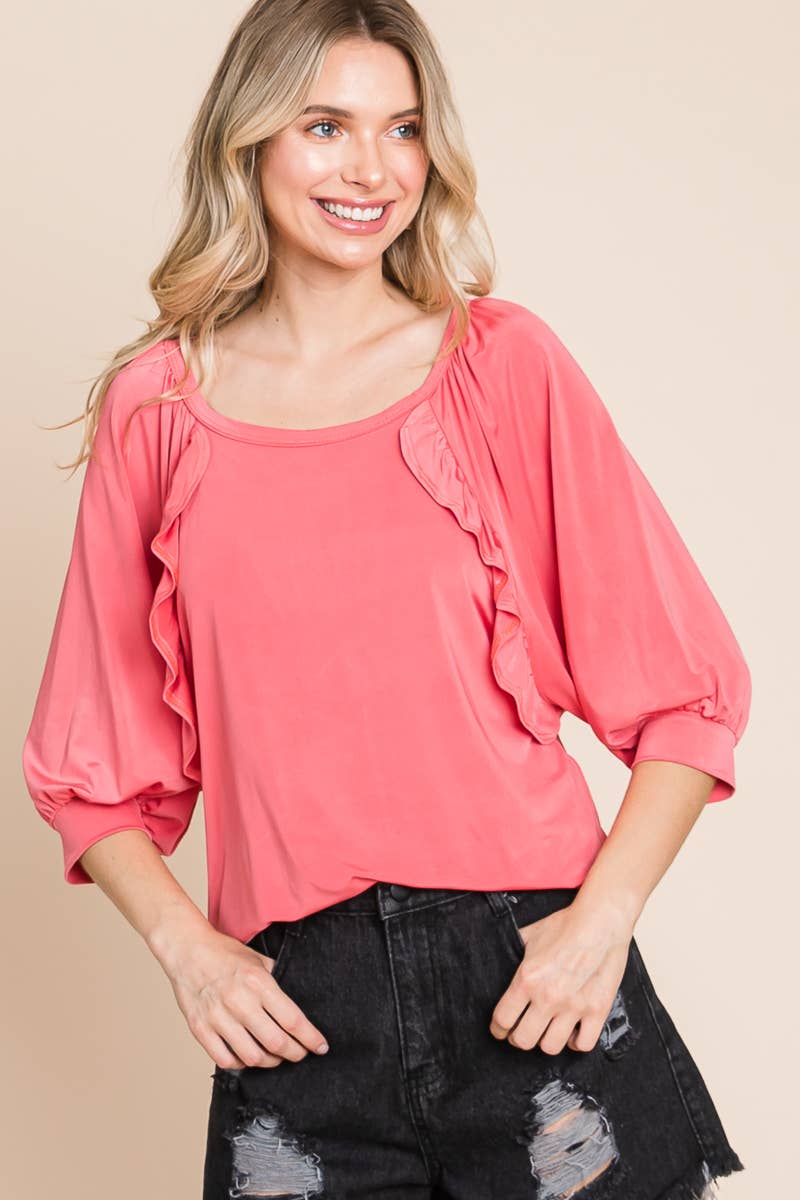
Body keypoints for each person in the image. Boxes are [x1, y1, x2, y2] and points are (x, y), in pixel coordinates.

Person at [22, 1, 751, 1196]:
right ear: (247, 142)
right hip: (299, 1023)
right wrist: (186, 950)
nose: (372, 169)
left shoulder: (498, 367)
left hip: (531, 993)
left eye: (402, 129)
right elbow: (91, 770)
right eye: (325, 125)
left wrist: (600, 921)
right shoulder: (158, 410)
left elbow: (684, 699)